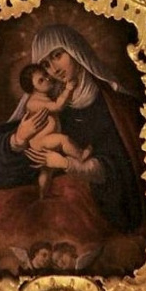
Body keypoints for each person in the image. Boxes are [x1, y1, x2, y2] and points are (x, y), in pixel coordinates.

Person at [0, 24, 146, 275]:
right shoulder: (47, 101)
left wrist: (69, 165)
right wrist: (17, 139)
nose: (54, 69)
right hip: (48, 197)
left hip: (93, 205)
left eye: (57, 55)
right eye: (46, 64)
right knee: (0, 211)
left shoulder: (115, 106)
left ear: (75, 50)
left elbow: (122, 169)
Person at [18, 63, 91, 198]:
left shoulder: (44, 96)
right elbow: (57, 106)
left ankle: (43, 195)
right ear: (33, 88)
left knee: (47, 171)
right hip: (41, 142)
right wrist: (68, 88)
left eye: (45, 75)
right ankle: (80, 156)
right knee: (64, 139)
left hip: (46, 140)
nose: (47, 79)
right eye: (41, 80)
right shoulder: (33, 102)